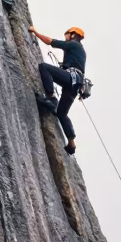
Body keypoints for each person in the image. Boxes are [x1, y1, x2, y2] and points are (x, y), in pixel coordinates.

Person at [28, 25, 86, 155]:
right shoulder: (79, 51)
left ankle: (51, 98)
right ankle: (71, 144)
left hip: (71, 78)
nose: (65, 37)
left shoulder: (74, 45)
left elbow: (51, 42)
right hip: (75, 84)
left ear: (72, 35)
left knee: (44, 67)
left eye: (67, 34)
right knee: (61, 114)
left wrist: (35, 32)